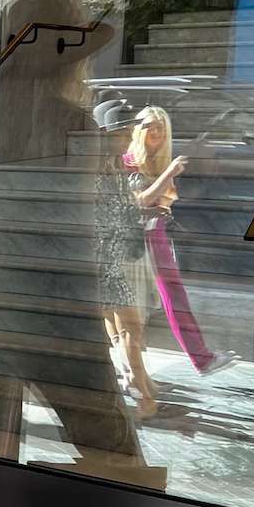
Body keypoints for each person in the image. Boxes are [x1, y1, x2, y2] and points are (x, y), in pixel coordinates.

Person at [124, 106, 237, 377]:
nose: (156, 131)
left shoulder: (160, 160)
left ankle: (200, 359)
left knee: (171, 299)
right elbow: (139, 202)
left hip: (157, 236)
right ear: (138, 129)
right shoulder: (129, 160)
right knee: (131, 312)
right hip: (136, 243)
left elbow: (164, 202)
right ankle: (134, 372)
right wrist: (168, 175)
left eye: (161, 126)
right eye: (150, 125)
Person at [93, 99, 160, 418]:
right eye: (123, 131)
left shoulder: (114, 164)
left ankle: (138, 378)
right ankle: (141, 390)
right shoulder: (99, 167)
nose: (130, 136)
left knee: (119, 323)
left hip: (112, 256)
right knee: (130, 324)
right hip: (104, 259)